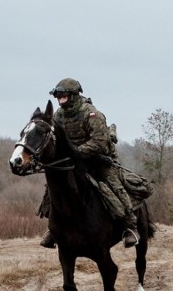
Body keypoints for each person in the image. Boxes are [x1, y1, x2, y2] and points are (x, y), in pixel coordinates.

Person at [40, 77, 140, 249]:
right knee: (52, 187)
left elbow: (99, 142)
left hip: (98, 159)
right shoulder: (58, 116)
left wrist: (77, 152)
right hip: (72, 161)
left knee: (114, 186)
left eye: (63, 94)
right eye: (58, 95)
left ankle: (130, 227)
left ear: (73, 95)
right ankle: (53, 229)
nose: (60, 98)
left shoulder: (92, 114)